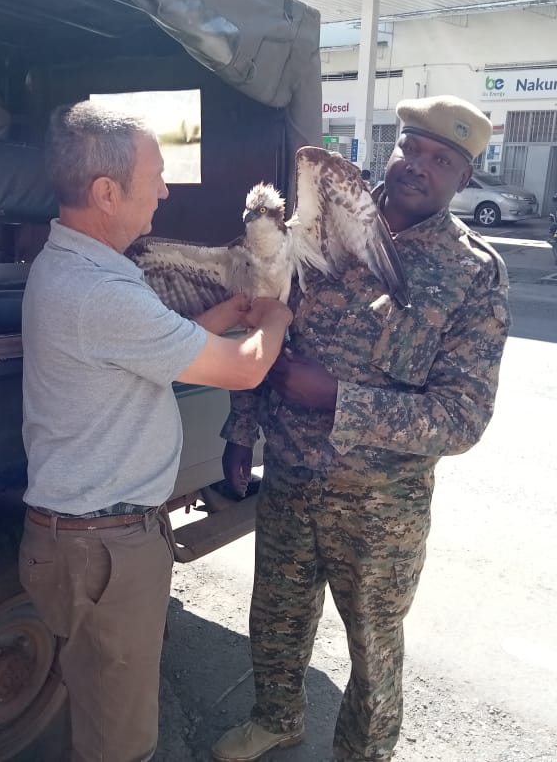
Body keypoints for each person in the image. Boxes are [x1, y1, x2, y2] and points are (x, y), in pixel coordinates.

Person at [212, 95, 511, 762]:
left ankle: (362, 755)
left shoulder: (472, 273)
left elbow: (463, 418)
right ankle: (277, 718)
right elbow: (269, 327)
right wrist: (241, 427)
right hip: (291, 473)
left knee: (374, 648)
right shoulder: (318, 228)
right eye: (411, 147)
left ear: (464, 179)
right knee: (276, 615)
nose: (417, 166)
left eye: (442, 160)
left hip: (381, 508)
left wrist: (337, 399)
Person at [20, 101, 293, 762]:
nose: (167, 190)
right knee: (122, 741)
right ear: (107, 193)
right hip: (107, 551)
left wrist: (230, 308)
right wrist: (278, 315)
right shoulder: (102, 293)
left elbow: (157, 347)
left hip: (77, 542)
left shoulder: (77, 271)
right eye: (157, 176)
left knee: (93, 705)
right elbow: (243, 370)